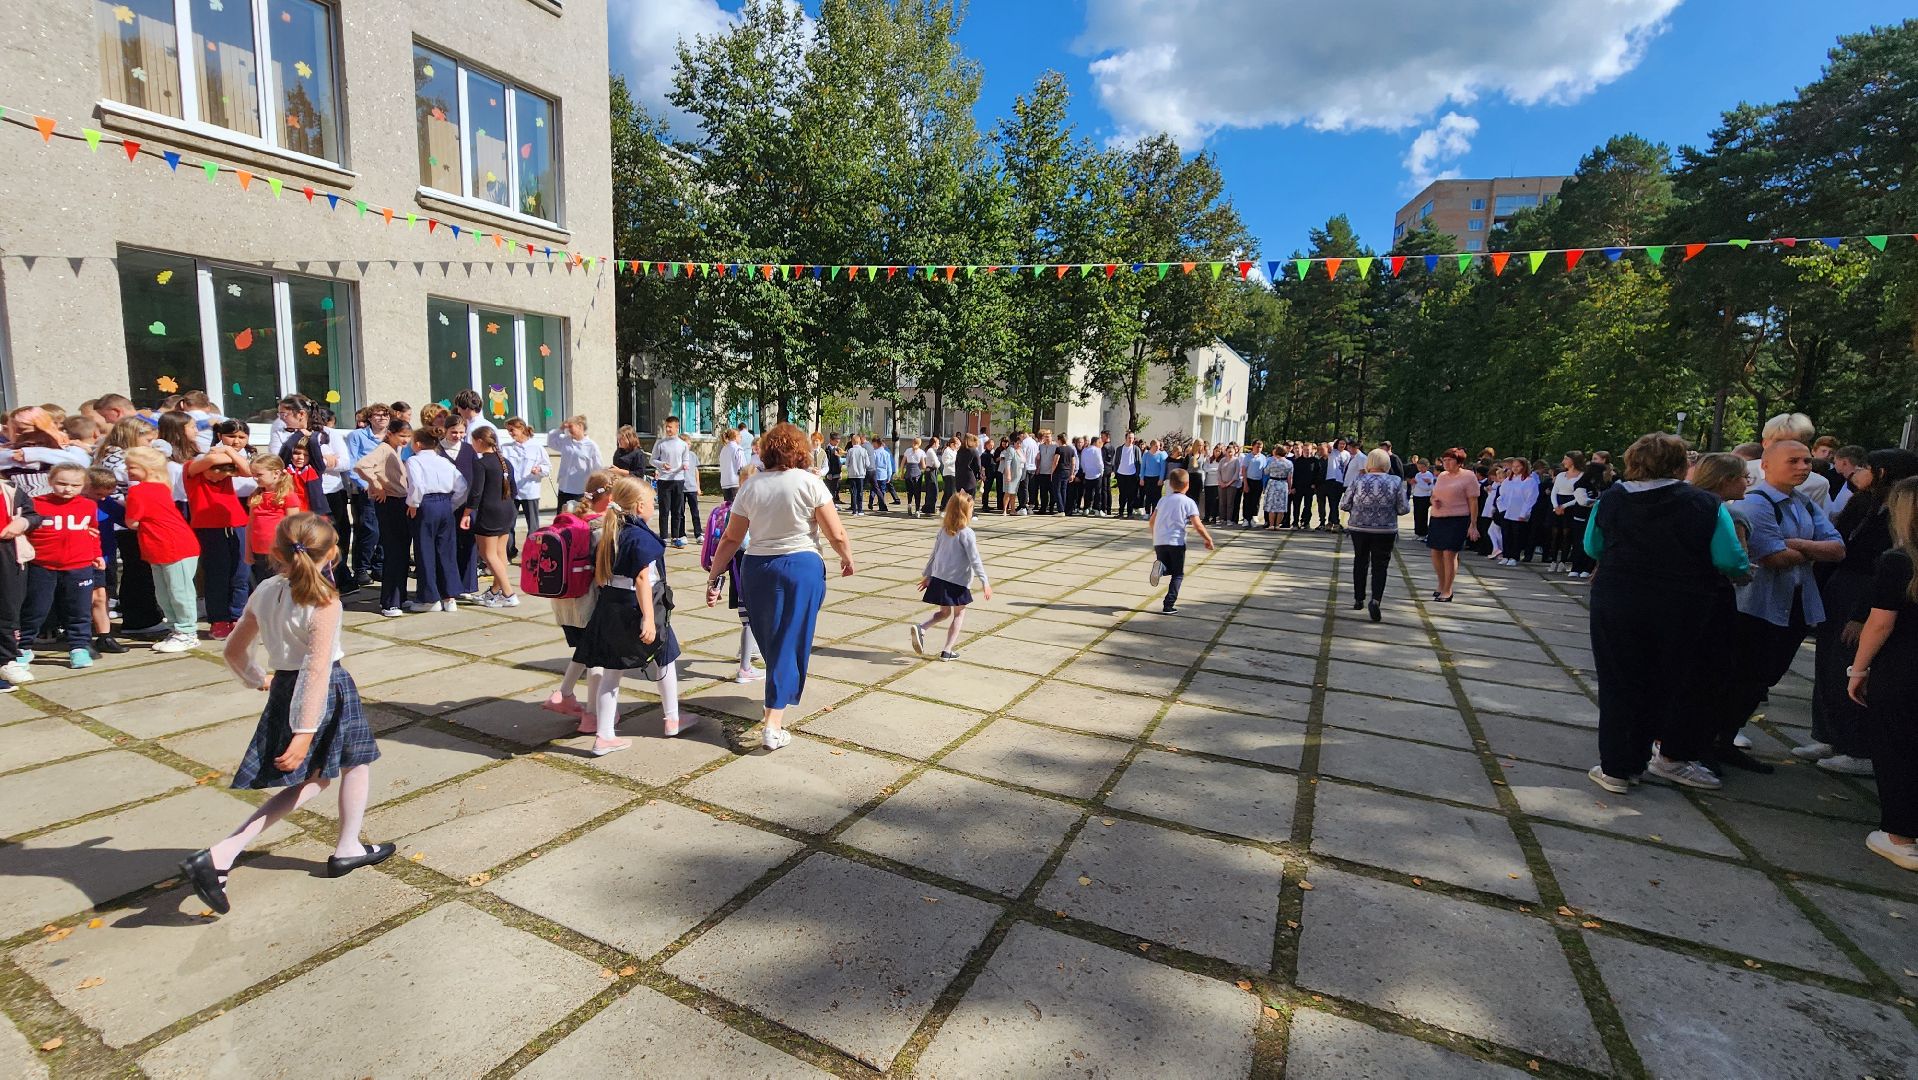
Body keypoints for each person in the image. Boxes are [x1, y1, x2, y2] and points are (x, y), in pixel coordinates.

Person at [178, 514, 392, 916]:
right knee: (331, 773)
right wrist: (304, 733)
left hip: (287, 688)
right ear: (333, 553)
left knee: (350, 765)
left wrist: (257, 678)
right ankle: (222, 853)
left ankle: (347, 847)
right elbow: (316, 670)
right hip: (325, 689)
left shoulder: (264, 589)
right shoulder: (325, 600)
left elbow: (233, 650)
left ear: (275, 553)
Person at [1584, 435, 1749, 793]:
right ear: (1680, 465)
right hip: (1681, 603)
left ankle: (1616, 766)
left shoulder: (1613, 497)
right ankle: (1644, 757)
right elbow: (1729, 559)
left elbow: (1592, 545)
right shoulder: (1706, 503)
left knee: (1618, 680)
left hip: (1618, 598)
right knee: (1663, 681)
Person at [703, 423, 855, 752]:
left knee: (774, 642)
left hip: (757, 570)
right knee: (789, 641)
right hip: (802, 568)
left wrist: (714, 576)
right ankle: (773, 723)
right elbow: (836, 533)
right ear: (801, 450)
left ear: (767, 451)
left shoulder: (751, 487)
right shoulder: (810, 483)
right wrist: (846, 558)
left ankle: (775, 706)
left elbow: (731, 538)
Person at [1718, 440, 1845, 772]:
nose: (1804, 466)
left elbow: (1837, 548)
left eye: (1806, 460)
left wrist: (1797, 545)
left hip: (1796, 605)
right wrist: (1811, 550)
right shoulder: (1757, 504)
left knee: (1764, 678)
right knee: (1742, 676)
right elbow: (1772, 557)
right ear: (1767, 466)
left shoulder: (1802, 502)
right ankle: (1714, 741)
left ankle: (1724, 739)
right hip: (1757, 607)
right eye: (1794, 460)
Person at [1797, 449, 1918, 775]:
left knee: (1848, 666)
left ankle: (1856, 744)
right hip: (1840, 587)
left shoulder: (1898, 512)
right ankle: (1827, 733)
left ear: (1882, 472)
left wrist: (1862, 614)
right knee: (1827, 664)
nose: (1856, 473)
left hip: (1865, 592)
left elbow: (1881, 568)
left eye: (1866, 467)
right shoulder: (1862, 503)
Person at [572, 478, 684, 755]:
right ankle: (672, 718)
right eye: (652, 503)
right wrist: (648, 617)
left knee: (612, 672)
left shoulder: (610, 530)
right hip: (642, 606)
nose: (654, 507)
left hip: (612, 606)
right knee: (665, 658)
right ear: (639, 505)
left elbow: (601, 578)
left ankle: (605, 734)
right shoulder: (637, 536)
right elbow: (643, 578)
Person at [1846, 476, 1918, 871]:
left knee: (1896, 747)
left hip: (1903, 666)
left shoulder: (1899, 561)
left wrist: (1858, 669)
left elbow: (1880, 624)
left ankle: (1900, 836)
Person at [544, 471, 615, 720]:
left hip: (565, 603)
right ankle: (592, 715)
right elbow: (604, 571)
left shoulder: (572, 518)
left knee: (584, 651)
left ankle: (563, 695)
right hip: (590, 603)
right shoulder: (601, 527)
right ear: (610, 497)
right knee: (597, 658)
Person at [21, 464, 101, 670]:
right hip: (42, 565)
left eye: (75, 485)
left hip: (79, 565)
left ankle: (79, 647)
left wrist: (96, 555)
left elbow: (92, 531)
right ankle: (23, 647)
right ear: (50, 482)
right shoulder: (36, 504)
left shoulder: (88, 505)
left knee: (79, 610)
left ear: (84, 485)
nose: (68, 489)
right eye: (62, 483)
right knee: (36, 608)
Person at [185, 431, 254, 639]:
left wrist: (228, 452)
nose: (218, 477)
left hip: (237, 524)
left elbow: (248, 470)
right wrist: (225, 450)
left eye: (225, 474)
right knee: (217, 575)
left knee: (240, 574)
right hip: (209, 528)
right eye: (215, 472)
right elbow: (212, 459)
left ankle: (238, 616)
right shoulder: (193, 472)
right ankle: (219, 619)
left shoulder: (225, 473)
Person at [908, 492, 992, 661]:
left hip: (939, 579)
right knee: (959, 614)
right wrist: (985, 582)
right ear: (964, 512)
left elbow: (934, 554)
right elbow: (975, 559)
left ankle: (922, 628)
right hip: (957, 581)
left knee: (944, 613)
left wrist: (928, 575)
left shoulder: (944, 530)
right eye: (971, 509)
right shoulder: (966, 533)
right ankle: (947, 650)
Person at [703, 467, 764, 684]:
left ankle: (748, 651)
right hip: (747, 567)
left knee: (748, 617)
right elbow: (743, 542)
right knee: (751, 619)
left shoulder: (734, 506)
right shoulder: (746, 508)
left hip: (737, 568)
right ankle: (745, 668)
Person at [403, 426, 468, 613]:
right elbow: (462, 486)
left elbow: (416, 485)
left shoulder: (414, 461)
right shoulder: (444, 461)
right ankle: (449, 597)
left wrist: (413, 504)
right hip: (445, 505)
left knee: (425, 551)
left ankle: (429, 598)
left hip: (426, 505)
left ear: (417, 444)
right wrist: (452, 505)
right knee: (446, 550)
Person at [1341, 449, 1411, 622]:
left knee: (1360, 560)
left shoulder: (1358, 480)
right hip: (1385, 529)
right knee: (1381, 565)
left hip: (1359, 528)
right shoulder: (1395, 481)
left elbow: (1345, 504)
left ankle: (1358, 598)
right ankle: (1376, 600)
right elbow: (1403, 508)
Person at [353, 420, 413, 618]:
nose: (405, 440)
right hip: (390, 504)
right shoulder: (384, 449)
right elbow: (361, 466)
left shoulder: (395, 451)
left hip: (400, 502)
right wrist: (376, 485)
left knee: (402, 552)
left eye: (408, 436)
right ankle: (389, 602)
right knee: (394, 551)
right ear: (390, 434)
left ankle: (400, 596)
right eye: (401, 436)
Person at [465, 427, 520, 607]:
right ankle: (495, 591)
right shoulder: (505, 462)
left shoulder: (481, 463)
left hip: (489, 512)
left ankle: (509, 593)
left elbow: (476, 492)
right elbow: (514, 490)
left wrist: (467, 512)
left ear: (480, 441)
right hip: (507, 510)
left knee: (488, 554)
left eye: (473, 441)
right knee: (499, 553)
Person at [1146, 467, 1214, 615]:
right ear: (1188, 485)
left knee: (1168, 567)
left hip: (1160, 541)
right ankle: (1168, 605)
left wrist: (1155, 534)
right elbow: (1197, 524)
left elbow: (1152, 520)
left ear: (1170, 485)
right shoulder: (1188, 502)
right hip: (1176, 542)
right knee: (1178, 574)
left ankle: (1161, 568)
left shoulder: (1163, 500)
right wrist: (1207, 539)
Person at [0, 472, 42, 689]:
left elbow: (34, 516)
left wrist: (23, 523)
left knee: (9, 611)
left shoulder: (11, 490)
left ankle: (7, 660)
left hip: (9, 555)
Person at [1426, 449, 1480, 602]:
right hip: (1438, 518)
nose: (1446, 463)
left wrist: (1473, 524)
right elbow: (1434, 495)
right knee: (1435, 552)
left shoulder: (1468, 476)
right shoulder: (1442, 476)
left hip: (1457, 519)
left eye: (1450, 460)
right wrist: (1434, 501)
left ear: (1459, 462)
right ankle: (1441, 583)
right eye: (1444, 460)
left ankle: (1448, 590)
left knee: (1449, 554)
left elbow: (1473, 501)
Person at [1747, 413, 1833, 508]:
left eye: (1794, 443)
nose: (1786, 448)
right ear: (1765, 443)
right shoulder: (1742, 472)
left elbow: (1816, 520)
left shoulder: (1816, 485)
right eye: (1779, 441)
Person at [244, 454, 303, 581]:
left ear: (276, 473)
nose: (255, 478)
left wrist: (295, 551)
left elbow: (293, 527)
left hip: (279, 551)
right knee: (263, 586)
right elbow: (250, 525)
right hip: (259, 551)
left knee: (280, 585)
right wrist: (248, 551)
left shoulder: (288, 496)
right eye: (253, 474)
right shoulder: (256, 496)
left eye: (259, 475)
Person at [501, 418, 548, 557]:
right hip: (512, 491)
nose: (510, 433)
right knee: (509, 523)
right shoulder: (506, 448)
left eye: (512, 430)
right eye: (508, 430)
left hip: (530, 491)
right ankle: (509, 552)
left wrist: (539, 469)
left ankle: (532, 553)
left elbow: (547, 467)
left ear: (521, 428)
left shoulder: (536, 447)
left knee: (533, 525)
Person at [549, 414, 605, 514]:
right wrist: (560, 428)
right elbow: (551, 441)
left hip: (579, 489)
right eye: (568, 427)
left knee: (576, 517)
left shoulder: (591, 446)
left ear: (580, 426)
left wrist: (593, 488)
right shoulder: (566, 440)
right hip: (564, 487)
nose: (568, 429)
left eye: (571, 426)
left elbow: (597, 468)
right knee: (561, 516)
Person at [652, 416, 693, 546]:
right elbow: (652, 460)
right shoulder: (660, 443)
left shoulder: (682, 444)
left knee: (677, 509)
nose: (668, 429)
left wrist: (685, 465)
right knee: (664, 510)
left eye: (671, 427)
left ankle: (676, 537)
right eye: (667, 427)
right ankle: (663, 536)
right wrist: (662, 464)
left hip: (678, 479)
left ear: (677, 427)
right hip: (664, 479)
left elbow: (686, 460)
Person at [1496, 459, 1540, 566]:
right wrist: (1501, 508)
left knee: (1517, 535)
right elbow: (1502, 494)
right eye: (1513, 466)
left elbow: (1530, 499)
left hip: (1519, 512)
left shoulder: (1529, 481)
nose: (1515, 469)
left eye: (1518, 466)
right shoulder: (1508, 480)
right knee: (1506, 534)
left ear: (1524, 467)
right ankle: (1506, 555)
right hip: (1506, 511)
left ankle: (1514, 556)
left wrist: (1524, 513)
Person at [1262, 446, 1293, 529]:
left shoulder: (1273, 462)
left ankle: (1271, 524)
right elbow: (1290, 477)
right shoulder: (1289, 463)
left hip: (1273, 483)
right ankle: (1277, 525)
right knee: (1281, 506)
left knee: (1272, 506)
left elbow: (1266, 472)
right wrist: (1290, 488)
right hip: (1283, 484)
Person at [843, 433, 871, 517]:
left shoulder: (850, 451)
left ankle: (854, 510)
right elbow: (868, 464)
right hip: (861, 475)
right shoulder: (863, 451)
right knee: (860, 492)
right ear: (859, 442)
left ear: (852, 442)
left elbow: (846, 463)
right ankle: (860, 510)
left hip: (852, 475)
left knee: (853, 492)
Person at [1410, 459, 1436, 539]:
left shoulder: (1429, 475)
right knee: (1417, 515)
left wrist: (1419, 483)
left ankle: (1423, 532)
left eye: (1422, 467)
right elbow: (1415, 485)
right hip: (1417, 495)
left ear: (1426, 467)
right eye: (1419, 467)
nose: (1420, 469)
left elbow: (1429, 487)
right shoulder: (1418, 474)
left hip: (1424, 496)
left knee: (1423, 515)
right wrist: (1413, 483)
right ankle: (1417, 532)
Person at [998, 438, 1026, 516]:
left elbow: (1023, 461)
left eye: (1020, 443)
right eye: (1017, 443)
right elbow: (1007, 463)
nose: (1019, 445)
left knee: (1014, 493)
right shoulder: (1011, 449)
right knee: (1008, 492)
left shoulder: (1021, 450)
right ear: (1014, 443)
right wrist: (1008, 474)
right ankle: (1005, 510)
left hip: (1018, 474)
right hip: (1011, 473)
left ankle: (1013, 510)